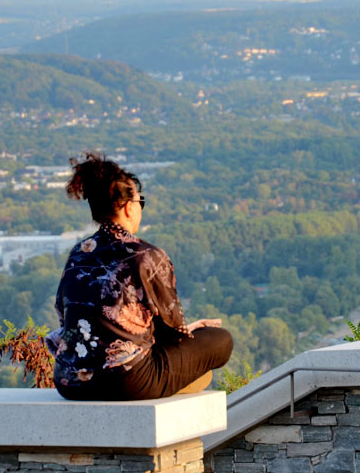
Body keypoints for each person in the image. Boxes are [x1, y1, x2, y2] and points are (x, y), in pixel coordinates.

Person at [47, 152, 233, 400]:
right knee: (220, 340)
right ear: (128, 207)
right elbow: (173, 330)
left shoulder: (78, 254)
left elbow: (64, 315)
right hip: (126, 381)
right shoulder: (145, 256)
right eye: (140, 202)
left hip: (69, 382)